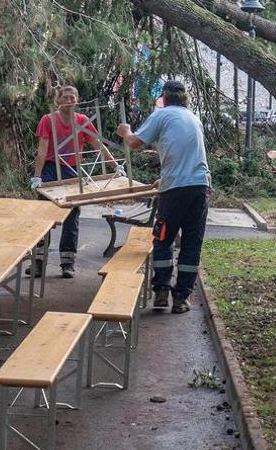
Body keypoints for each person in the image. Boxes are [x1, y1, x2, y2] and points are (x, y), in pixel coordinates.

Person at [116, 79, 209, 314]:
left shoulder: (162, 115)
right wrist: (164, 179)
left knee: (163, 238)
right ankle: (181, 298)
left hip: (174, 190)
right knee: (191, 242)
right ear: (185, 98)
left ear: (164, 98)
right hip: (198, 187)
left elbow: (136, 143)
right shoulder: (194, 118)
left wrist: (126, 132)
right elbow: (185, 152)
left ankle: (161, 292)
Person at [29, 85, 120, 278]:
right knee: (44, 216)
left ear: (77, 100)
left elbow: (98, 145)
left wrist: (114, 166)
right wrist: (37, 176)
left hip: (72, 170)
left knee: (72, 216)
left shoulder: (82, 121)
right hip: (51, 169)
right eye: (66, 97)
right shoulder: (48, 120)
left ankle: (67, 264)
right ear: (59, 101)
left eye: (73, 97)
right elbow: (42, 150)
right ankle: (38, 262)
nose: (70, 100)